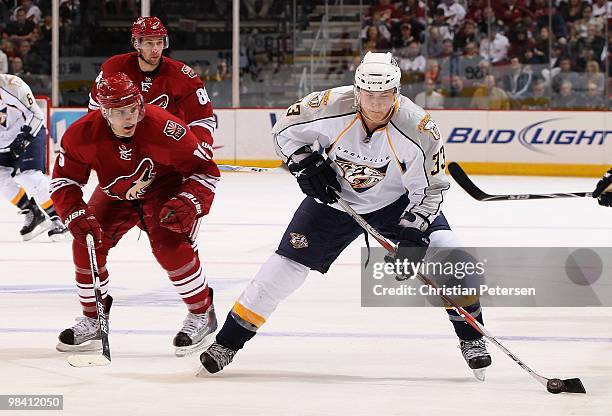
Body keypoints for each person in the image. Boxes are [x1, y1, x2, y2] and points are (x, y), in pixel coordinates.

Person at [199, 52, 492, 378]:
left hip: (398, 204)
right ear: (356, 89)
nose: (376, 104)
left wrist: (413, 231)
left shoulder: (420, 128)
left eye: (384, 95)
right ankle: (227, 342)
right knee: (281, 270)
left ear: (397, 91)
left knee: (452, 255)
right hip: (334, 201)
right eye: (368, 93)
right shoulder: (328, 104)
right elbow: (283, 131)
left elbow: (432, 188)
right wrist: (304, 162)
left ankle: (472, 338)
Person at [52, 73, 220, 356]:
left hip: (163, 190)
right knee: (86, 242)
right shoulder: (81, 135)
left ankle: (202, 312)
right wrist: (74, 213)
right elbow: (64, 181)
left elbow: (205, 171)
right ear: (104, 112)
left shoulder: (165, 128)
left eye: (133, 108)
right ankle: (94, 318)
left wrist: (188, 201)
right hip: (115, 193)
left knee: (169, 245)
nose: (130, 117)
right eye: (120, 112)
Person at [88, 17, 216, 150]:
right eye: (149, 43)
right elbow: (95, 108)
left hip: (168, 150)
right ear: (136, 44)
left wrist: (199, 148)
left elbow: (202, 119)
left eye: (159, 43)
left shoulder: (184, 77)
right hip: (126, 148)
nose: (155, 49)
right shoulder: (114, 69)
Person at [0, 74, 69, 241]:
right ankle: (33, 212)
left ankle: (60, 216)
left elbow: (36, 114)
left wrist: (25, 137)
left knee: (29, 176)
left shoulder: (12, 85)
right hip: (2, 141)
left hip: (28, 131)